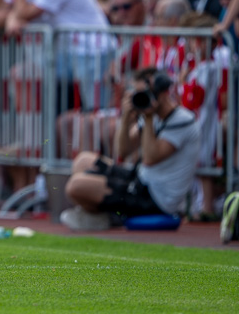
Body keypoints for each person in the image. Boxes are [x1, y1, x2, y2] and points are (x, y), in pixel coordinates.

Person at [61, 68, 201, 229]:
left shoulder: (182, 120)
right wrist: (126, 117)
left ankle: (109, 217)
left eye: (145, 93)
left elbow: (150, 158)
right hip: (141, 180)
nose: (142, 97)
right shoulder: (152, 114)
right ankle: (103, 214)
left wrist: (148, 118)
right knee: (82, 161)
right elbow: (123, 151)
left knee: (75, 186)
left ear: (162, 93)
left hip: (157, 199)